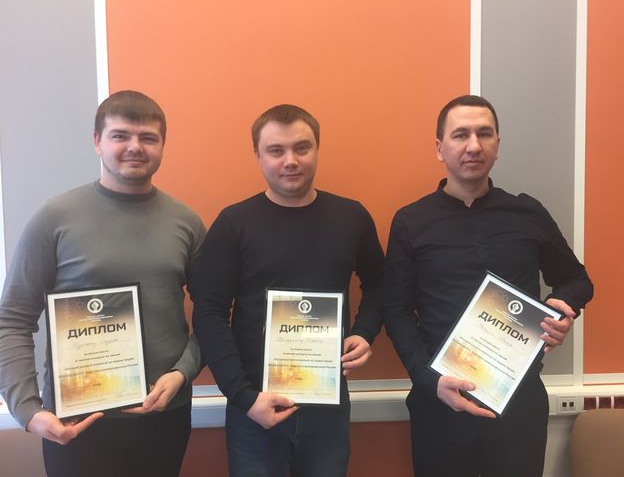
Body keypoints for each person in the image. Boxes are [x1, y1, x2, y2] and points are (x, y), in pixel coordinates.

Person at [383, 95, 593, 477]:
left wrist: (561, 309)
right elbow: (395, 308)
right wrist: (429, 380)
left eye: (484, 134)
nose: (473, 145)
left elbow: (577, 280)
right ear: (439, 148)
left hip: (518, 402)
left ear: (498, 144)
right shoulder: (411, 221)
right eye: (460, 135)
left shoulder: (527, 212)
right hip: (439, 401)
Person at [0, 90, 206, 477]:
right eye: (120, 135)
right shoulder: (53, 218)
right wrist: (27, 408)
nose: (135, 147)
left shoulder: (187, 223)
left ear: (163, 145)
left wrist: (182, 373)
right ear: (97, 141)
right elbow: (12, 317)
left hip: (165, 415)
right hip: (76, 423)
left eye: (148, 137)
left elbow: (213, 314)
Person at [192, 104, 384, 477]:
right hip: (254, 408)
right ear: (258, 154)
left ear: (317, 148)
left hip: (328, 407)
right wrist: (243, 397)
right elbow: (209, 312)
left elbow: (380, 284)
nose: (290, 161)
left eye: (301, 147)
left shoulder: (352, 217)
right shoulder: (233, 223)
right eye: (276, 150)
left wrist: (365, 331)